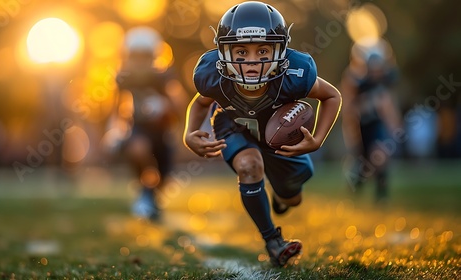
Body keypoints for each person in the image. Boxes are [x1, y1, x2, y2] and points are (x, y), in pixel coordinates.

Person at [183, 1, 341, 267]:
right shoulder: (212, 75)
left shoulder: (295, 74)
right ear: (223, 51)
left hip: (280, 139)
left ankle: (279, 197)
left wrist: (318, 138)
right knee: (249, 165)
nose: (252, 61)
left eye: (263, 50)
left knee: (292, 198)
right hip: (234, 126)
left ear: (281, 49)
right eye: (241, 51)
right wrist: (189, 133)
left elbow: (332, 95)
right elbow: (200, 102)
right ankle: (273, 241)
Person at [105, 26, 187, 221]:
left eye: (145, 56)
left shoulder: (162, 77)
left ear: (154, 56)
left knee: (163, 179)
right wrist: (113, 131)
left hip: (161, 132)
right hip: (138, 129)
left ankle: (150, 199)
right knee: (138, 149)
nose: (140, 61)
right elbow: (117, 107)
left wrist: (168, 109)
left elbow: (178, 106)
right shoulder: (124, 78)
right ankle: (145, 194)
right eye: (136, 56)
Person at [340, 39, 402, 203]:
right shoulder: (356, 82)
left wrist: (395, 127)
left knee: (379, 154)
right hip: (361, 126)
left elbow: (388, 105)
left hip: (377, 124)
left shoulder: (387, 79)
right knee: (363, 164)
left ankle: (381, 195)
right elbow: (347, 109)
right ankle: (356, 186)